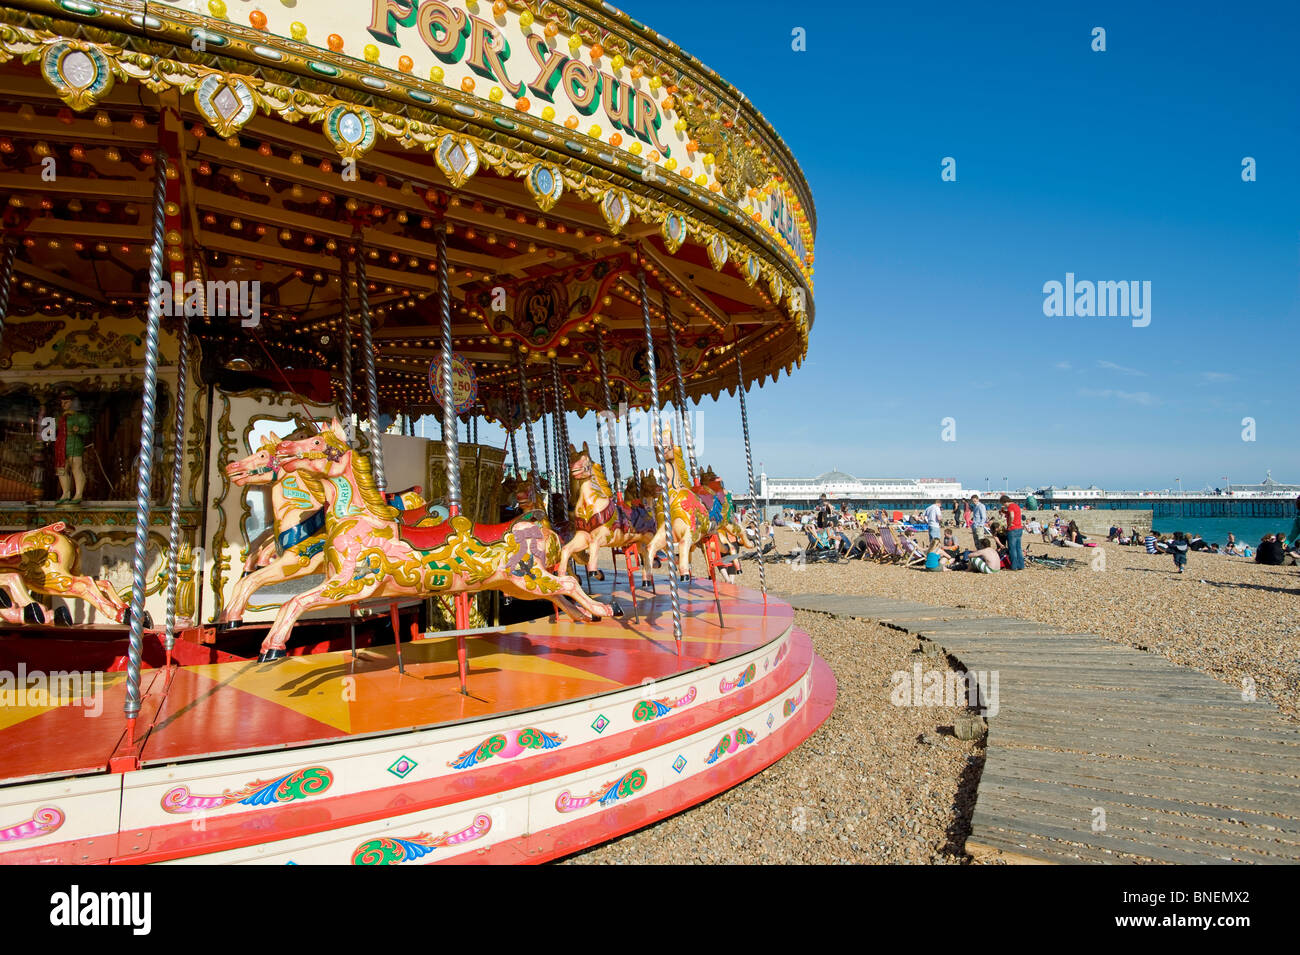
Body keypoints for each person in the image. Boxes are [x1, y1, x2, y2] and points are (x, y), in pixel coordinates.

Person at [1000, 494, 1024, 570]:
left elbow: (1012, 515)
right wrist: (1004, 512)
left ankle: (1014, 566)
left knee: (1012, 548)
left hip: (1013, 529)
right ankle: (1021, 565)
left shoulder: (1010, 506)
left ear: (1005, 502)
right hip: (1019, 528)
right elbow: (1012, 514)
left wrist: (1009, 524)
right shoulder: (1016, 506)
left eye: (1003, 504)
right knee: (1018, 548)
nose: (1004, 505)